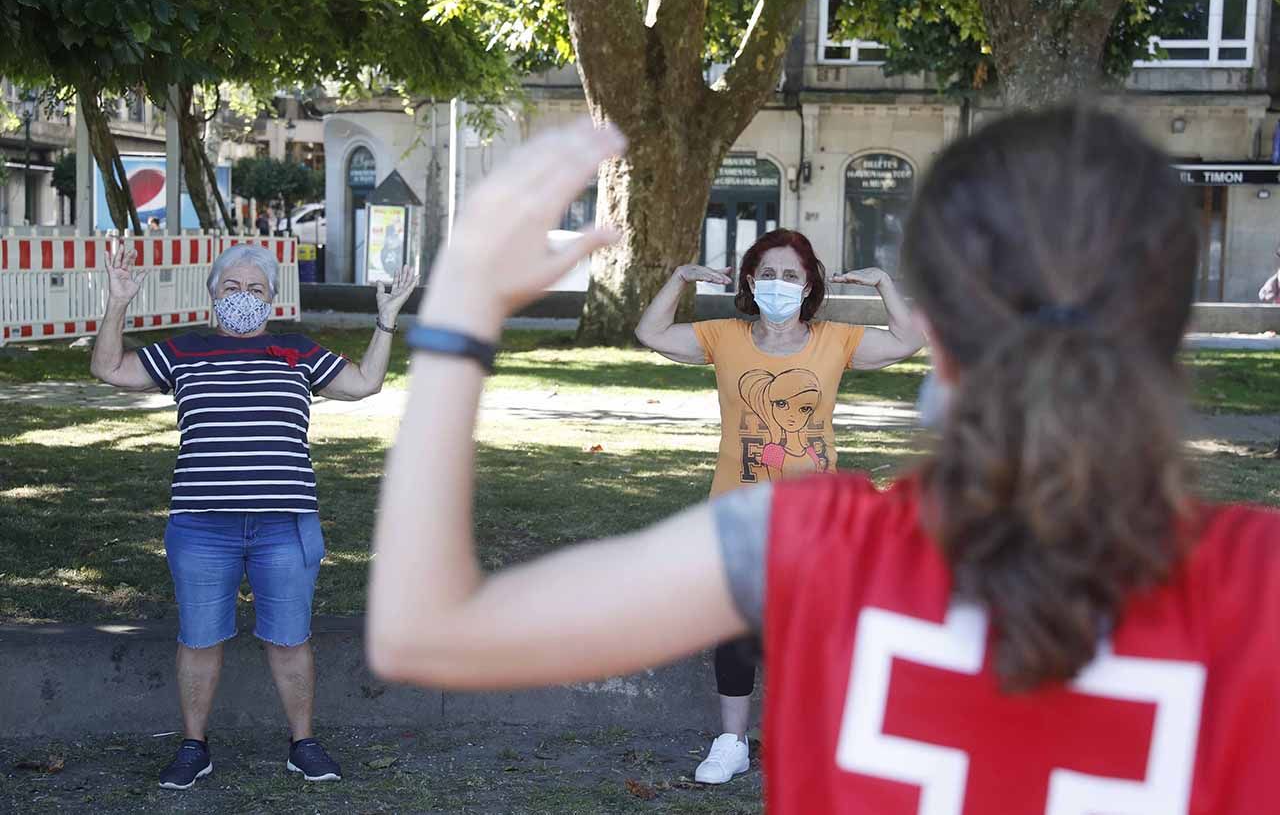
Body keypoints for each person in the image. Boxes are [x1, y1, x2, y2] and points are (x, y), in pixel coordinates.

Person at [366, 112, 1280, 814]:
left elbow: (422, 631)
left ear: (944, 342)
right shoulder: (1260, 584)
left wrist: (460, 311)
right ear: (1175, 331)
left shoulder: (808, 541)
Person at [90, 243, 418, 791]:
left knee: (290, 639)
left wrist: (386, 322)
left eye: (256, 289)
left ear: (272, 300)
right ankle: (194, 747)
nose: (244, 298)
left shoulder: (297, 351)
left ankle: (303, 744)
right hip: (201, 524)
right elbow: (108, 368)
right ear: (214, 296)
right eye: (232, 288)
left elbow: (365, 383)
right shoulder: (183, 350)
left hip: (284, 526)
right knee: (198, 639)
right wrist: (118, 303)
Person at [633, 229, 923, 783]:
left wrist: (884, 282)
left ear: (809, 283)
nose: (779, 284)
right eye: (767, 273)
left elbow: (908, 341)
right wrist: (680, 280)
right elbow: (650, 332)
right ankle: (732, 742)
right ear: (749, 280)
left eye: (792, 275)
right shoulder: (723, 336)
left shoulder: (837, 340)